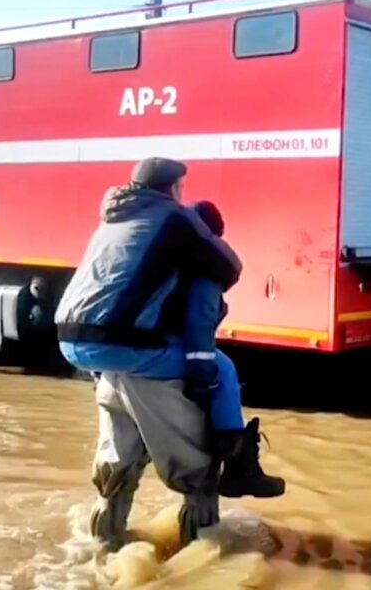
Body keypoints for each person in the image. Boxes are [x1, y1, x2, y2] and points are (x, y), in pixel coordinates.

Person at [54, 157, 281, 548]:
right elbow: (209, 301)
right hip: (128, 348)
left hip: (83, 346)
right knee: (220, 384)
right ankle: (227, 495)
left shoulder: (113, 220)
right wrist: (200, 369)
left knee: (116, 470)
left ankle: (100, 547)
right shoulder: (176, 225)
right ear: (172, 189)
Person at [176, 199, 285, 499]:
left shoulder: (161, 251)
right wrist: (203, 377)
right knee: (224, 371)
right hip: (163, 345)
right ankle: (242, 469)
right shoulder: (204, 267)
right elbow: (198, 325)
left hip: (110, 349)